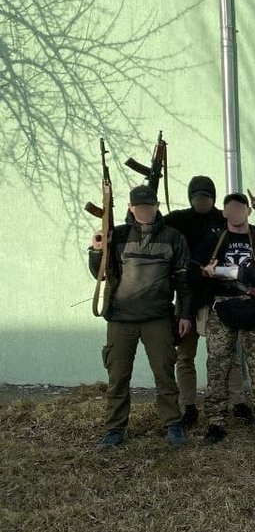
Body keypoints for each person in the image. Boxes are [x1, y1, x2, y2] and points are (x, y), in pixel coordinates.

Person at [88, 185, 193, 449]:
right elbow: (100, 274)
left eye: (150, 206)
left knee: (165, 374)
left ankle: (173, 425)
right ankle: (115, 429)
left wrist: (185, 314)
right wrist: (97, 250)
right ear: (130, 208)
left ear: (156, 207)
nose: (145, 211)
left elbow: (183, 280)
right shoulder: (119, 236)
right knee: (118, 376)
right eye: (140, 207)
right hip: (121, 319)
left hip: (157, 317)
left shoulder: (174, 237)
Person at [164, 174, 255, 426]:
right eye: (197, 196)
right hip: (189, 296)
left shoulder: (223, 219)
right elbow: (152, 223)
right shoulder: (179, 220)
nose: (202, 201)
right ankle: (188, 406)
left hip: (218, 298)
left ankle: (238, 403)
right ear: (191, 198)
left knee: (227, 355)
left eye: (207, 196)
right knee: (185, 355)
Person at [192, 193, 255, 443]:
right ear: (224, 213)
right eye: (230, 208)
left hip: (254, 309)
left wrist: (236, 272)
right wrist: (206, 273)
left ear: (248, 211)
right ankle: (216, 424)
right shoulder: (214, 240)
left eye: (240, 207)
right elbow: (193, 273)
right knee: (217, 369)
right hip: (221, 310)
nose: (235, 212)